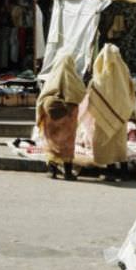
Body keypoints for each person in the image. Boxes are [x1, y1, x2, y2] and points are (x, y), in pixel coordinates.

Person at [85, 43, 136, 181]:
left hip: (104, 116)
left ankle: (110, 171)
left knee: (105, 143)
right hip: (121, 114)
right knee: (119, 144)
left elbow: (95, 92)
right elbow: (131, 89)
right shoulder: (124, 71)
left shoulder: (100, 78)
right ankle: (124, 172)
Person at [35, 51, 86, 181]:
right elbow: (81, 94)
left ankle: (52, 171)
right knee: (68, 143)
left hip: (52, 112)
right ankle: (68, 172)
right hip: (69, 115)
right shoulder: (74, 79)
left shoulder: (53, 78)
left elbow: (42, 97)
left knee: (51, 140)